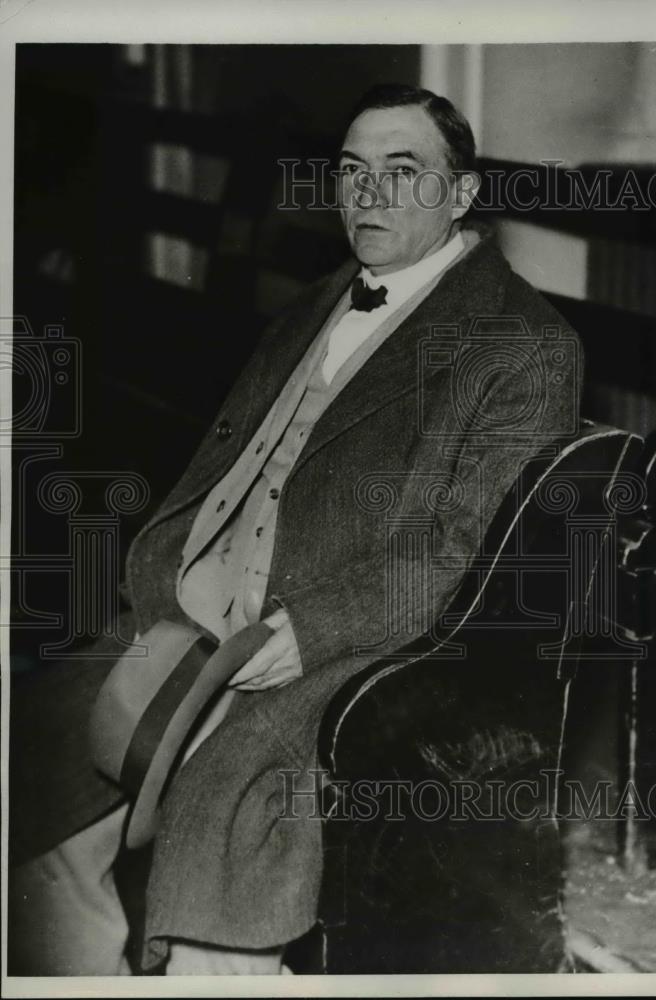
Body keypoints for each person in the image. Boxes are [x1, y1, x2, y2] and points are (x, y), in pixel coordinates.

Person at [9, 82, 582, 975]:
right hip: (196, 618)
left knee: (221, 838)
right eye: (353, 173)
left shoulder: (523, 344)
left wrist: (309, 630)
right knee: (34, 770)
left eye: (404, 172)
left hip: (343, 642)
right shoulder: (311, 304)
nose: (370, 195)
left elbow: (455, 552)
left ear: (462, 195)